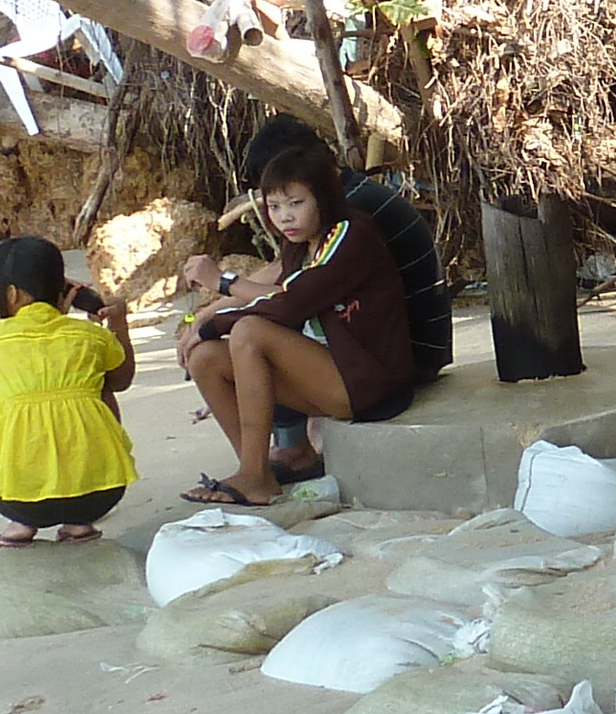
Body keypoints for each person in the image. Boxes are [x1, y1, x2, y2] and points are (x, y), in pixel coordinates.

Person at [176, 116, 454, 483]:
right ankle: (256, 469)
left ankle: (262, 470)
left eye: (294, 201)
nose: (284, 216)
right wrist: (209, 319)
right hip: (346, 355)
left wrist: (215, 318)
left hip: (386, 367)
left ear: (319, 188)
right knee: (207, 358)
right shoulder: (306, 235)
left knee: (251, 332)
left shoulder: (350, 227)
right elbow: (285, 290)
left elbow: (290, 304)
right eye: (274, 205)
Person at [0, 235, 137, 546]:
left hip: (16, 498)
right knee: (92, 383)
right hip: (102, 493)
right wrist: (118, 323)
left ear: (12, 294)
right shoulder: (89, 336)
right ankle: (79, 525)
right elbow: (122, 380)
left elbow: (15, 363)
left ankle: (21, 524)